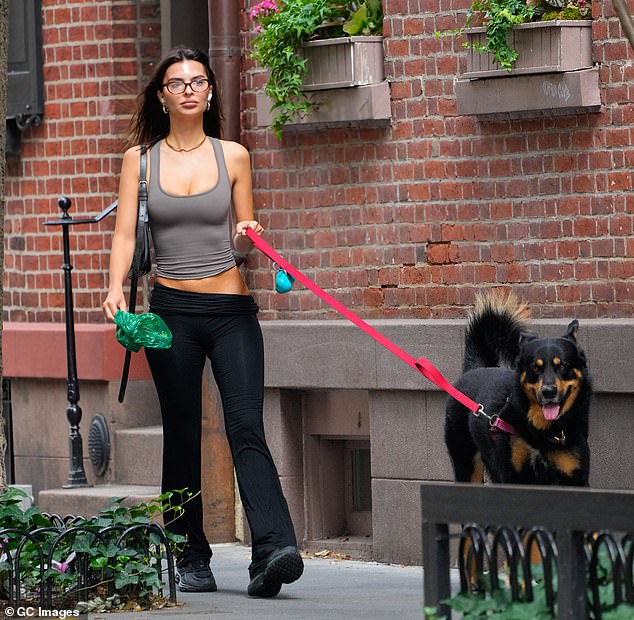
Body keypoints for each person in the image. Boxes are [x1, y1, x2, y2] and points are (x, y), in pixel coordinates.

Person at [102, 46, 303, 598]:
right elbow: (124, 234)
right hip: (172, 313)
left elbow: (245, 223)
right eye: (177, 82)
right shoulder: (139, 161)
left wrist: (248, 233)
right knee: (182, 430)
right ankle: (190, 556)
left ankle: (273, 550)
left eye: (198, 80)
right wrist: (115, 286)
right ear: (162, 96)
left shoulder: (234, 155)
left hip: (231, 310)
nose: (188, 88)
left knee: (246, 425)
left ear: (211, 91)